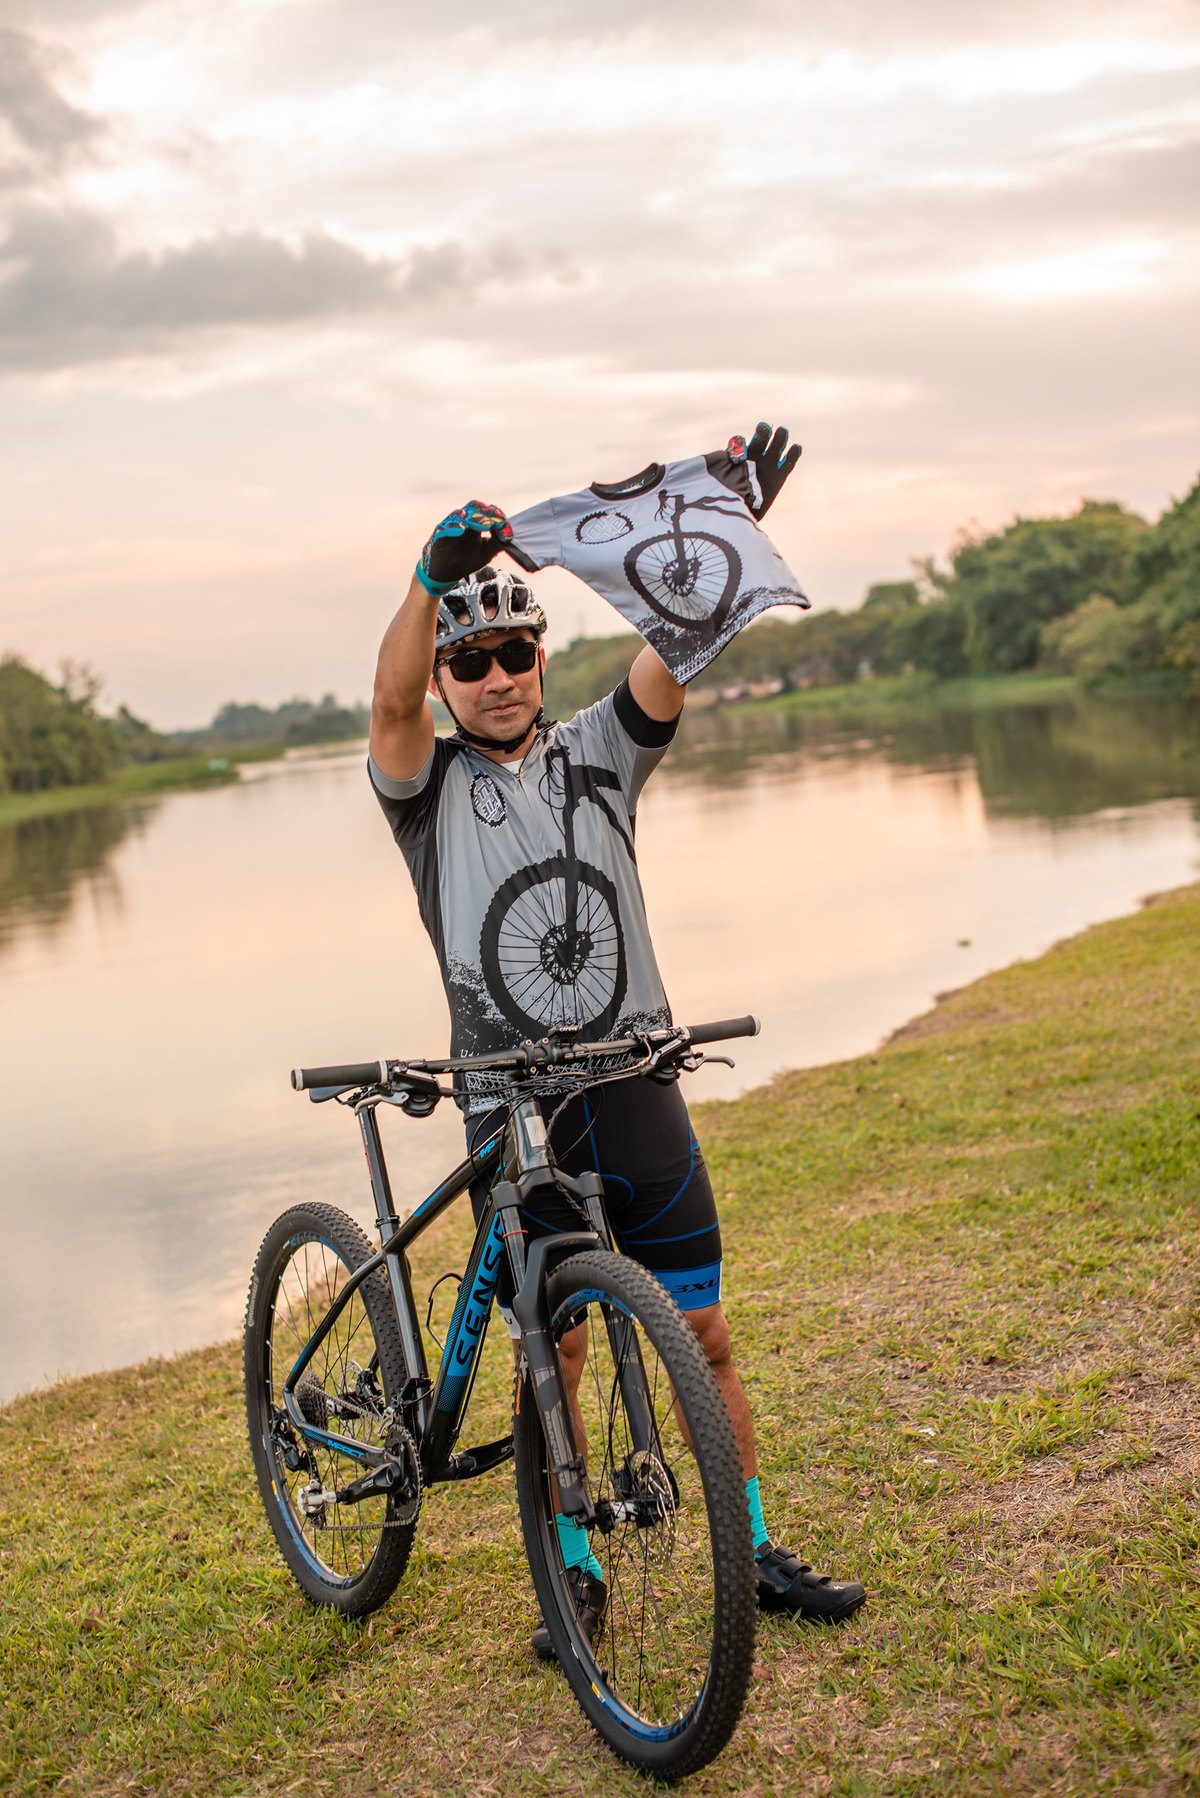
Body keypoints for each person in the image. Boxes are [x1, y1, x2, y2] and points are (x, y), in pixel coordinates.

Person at [367, 426, 866, 1657]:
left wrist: (722, 532)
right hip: (512, 1103)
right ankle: (575, 1564)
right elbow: (381, 698)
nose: (495, 673)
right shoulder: (423, 789)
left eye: (513, 650)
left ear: (542, 654)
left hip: (634, 1082)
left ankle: (750, 1551)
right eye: (469, 659)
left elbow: (682, 645)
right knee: (566, 1348)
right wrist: (427, 580)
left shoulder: (599, 751)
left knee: (702, 1334)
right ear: (446, 679)